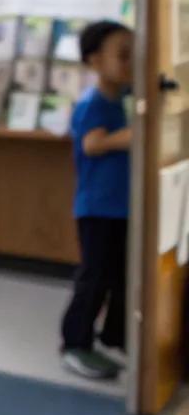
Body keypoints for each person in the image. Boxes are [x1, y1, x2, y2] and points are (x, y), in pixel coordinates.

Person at [60, 20, 132, 380]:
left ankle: (114, 337)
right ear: (94, 61)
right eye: (122, 55)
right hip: (97, 209)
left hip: (122, 207)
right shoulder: (93, 103)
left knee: (122, 275)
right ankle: (75, 343)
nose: (130, 62)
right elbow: (92, 143)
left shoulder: (124, 98)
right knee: (95, 277)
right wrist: (129, 137)